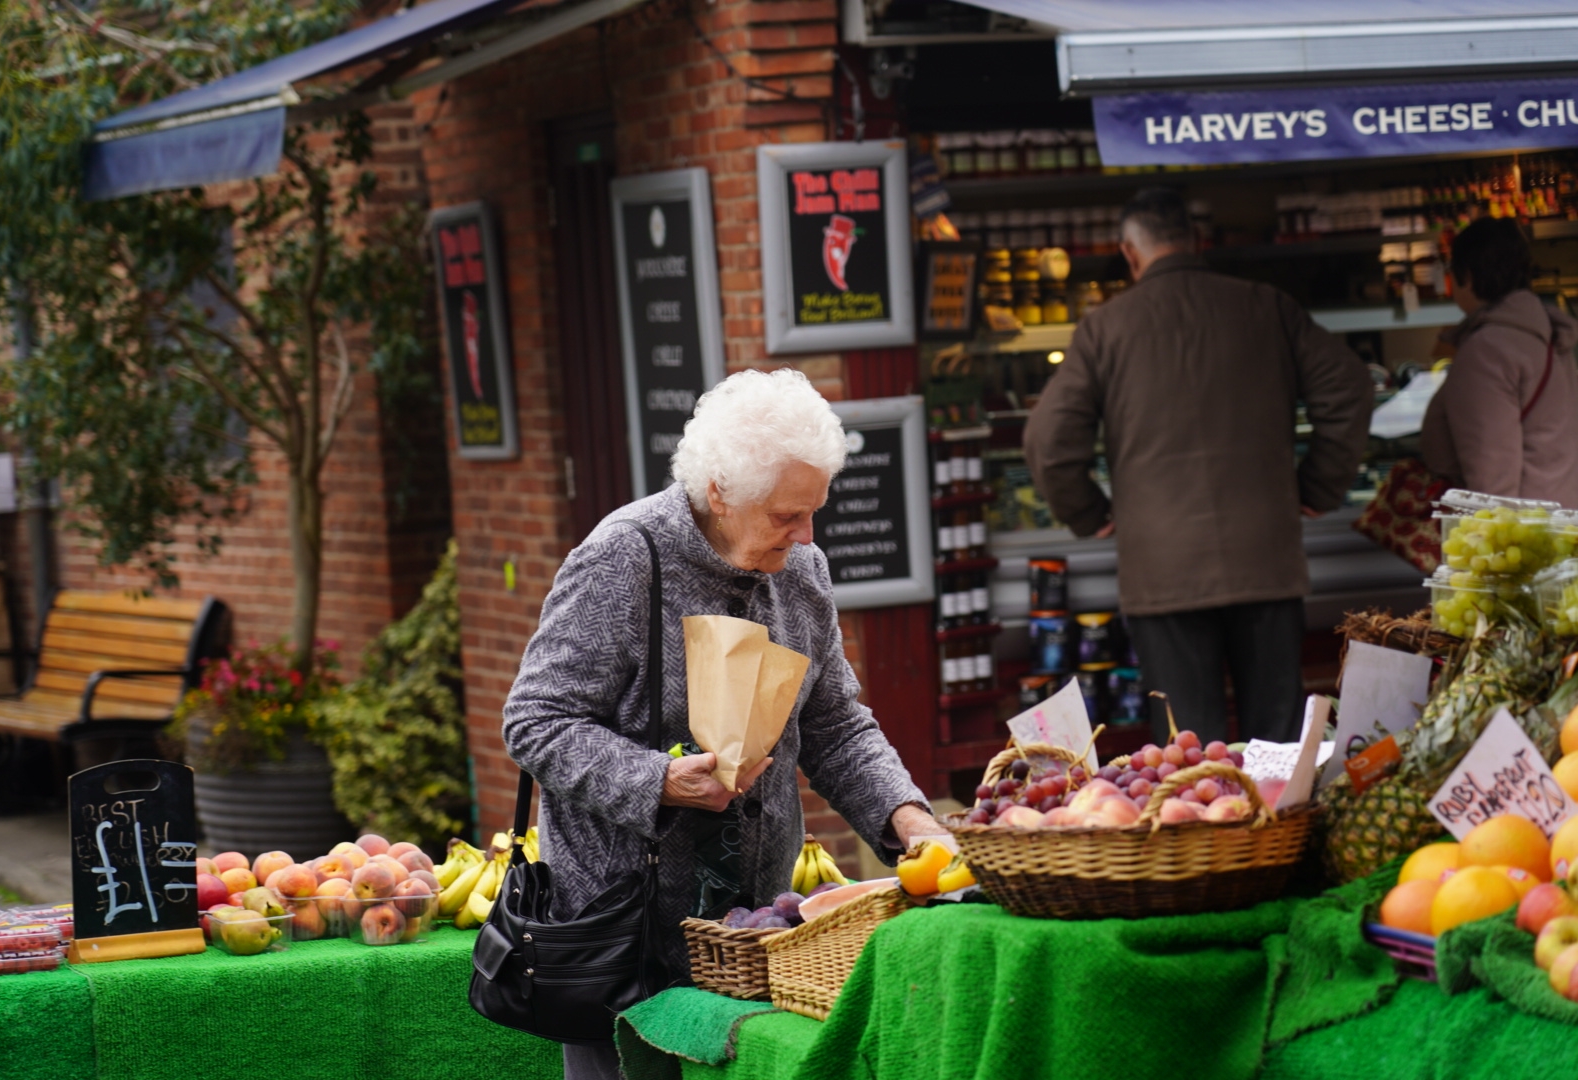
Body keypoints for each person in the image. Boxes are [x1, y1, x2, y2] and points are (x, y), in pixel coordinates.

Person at [504, 368, 937, 1080]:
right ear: (719, 493)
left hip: (752, 931)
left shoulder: (804, 571)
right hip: (623, 935)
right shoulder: (624, 557)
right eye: (785, 516)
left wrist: (910, 820)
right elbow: (535, 720)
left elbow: (835, 724)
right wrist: (658, 780)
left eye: (813, 512)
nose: (806, 535)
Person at [1023, 188, 1373, 744]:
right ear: (1197, 242)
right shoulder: (1266, 305)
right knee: (1278, 746)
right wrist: (1317, 485)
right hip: (1265, 555)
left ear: (1129, 253)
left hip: (1163, 569)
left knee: (1187, 750)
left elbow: (1047, 440)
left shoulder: (1106, 328)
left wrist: (1092, 513)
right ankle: (1283, 833)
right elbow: (1350, 388)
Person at [1421, 217, 1578, 506]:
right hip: (1558, 521)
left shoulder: (1487, 350)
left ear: (1465, 275)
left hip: (1523, 535)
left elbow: (1491, 474)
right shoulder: (1549, 334)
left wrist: (1493, 541)